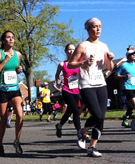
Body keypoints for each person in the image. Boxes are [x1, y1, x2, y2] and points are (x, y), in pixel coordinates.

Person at [68, 18, 114, 157]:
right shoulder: (83, 46)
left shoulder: (104, 46)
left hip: (101, 83)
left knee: (102, 118)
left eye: (100, 26)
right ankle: (83, 131)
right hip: (86, 84)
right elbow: (70, 64)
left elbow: (109, 68)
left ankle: (92, 147)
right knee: (97, 114)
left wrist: (110, 60)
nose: (98, 29)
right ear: (88, 29)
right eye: (95, 27)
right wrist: (83, 62)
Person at [0, 30, 24, 156]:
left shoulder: (18, 54)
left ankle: (17, 141)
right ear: (3, 40)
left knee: (20, 115)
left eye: (12, 37)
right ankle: (0, 143)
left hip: (14, 89)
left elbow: (17, 69)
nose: (11, 39)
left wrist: (19, 70)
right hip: (2, 90)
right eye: (8, 37)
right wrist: (4, 61)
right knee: (4, 120)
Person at [54, 44, 82, 139]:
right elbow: (57, 74)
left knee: (69, 111)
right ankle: (79, 132)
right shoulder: (62, 64)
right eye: (69, 49)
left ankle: (60, 125)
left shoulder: (79, 63)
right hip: (66, 90)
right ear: (66, 51)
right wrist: (58, 80)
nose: (71, 51)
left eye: (73, 49)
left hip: (77, 90)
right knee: (76, 111)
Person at [115, 47, 135, 128]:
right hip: (127, 87)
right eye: (132, 54)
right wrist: (124, 76)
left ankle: (125, 117)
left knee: (131, 106)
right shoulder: (123, 65)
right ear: (128, 56)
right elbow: (116, 75)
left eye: (134, 54)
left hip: (134, 86)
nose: (134, 55)